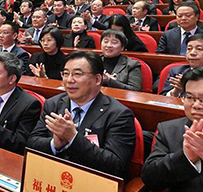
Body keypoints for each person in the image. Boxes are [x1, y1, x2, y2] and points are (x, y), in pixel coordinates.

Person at [27, 51, 136, 179]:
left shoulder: (119, 114)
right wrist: (54, 144)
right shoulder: (53, 104)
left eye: (77, 74)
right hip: (52, 176)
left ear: (97, 79)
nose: (69, 80)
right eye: (65, 74)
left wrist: (73, 138)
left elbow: (115, 166)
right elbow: (32, 143)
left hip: (91, 183)